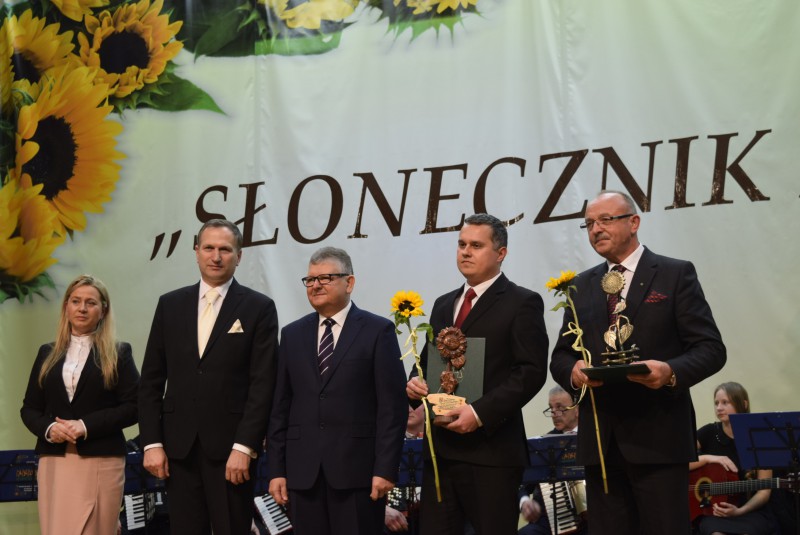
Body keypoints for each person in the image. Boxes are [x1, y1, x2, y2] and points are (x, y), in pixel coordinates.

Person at [549, 190, 727, 535]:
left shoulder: (674, 274)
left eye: (605, 220)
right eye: (589, 223)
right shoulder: (581, 286)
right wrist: (572, 371)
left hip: (659, 438)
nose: (596, 229)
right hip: (601, 443)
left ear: (634, 222)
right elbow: (561, 355)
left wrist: (670, 372)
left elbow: (710, 349)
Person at [406, 213, 549, 535]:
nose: (465, 252)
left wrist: (479, 413)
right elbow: (430, 360)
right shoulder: (444, 304)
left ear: (501, 253)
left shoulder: (522, 302)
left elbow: (530, 372)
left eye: (476, 245)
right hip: (441, 451)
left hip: (491, 452)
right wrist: (414, 382)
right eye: (461, 245)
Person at [139, 219, 279, 535]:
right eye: (209, 248)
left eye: (225, 250)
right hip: (178, 449)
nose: (216, 257)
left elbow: (263, 384)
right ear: (196, 252)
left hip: (232, 451)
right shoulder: (170, 304)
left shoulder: (259, 308)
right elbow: (150, 381)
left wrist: (245, 447)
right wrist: (151, 442)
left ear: (239, 256)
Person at [267, 247, 408, 535]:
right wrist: (277, 471)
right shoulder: (292, 335)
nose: (316, 285)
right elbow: (280, 407)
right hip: (303, 474)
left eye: (326, 278)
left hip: (358, 473)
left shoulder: (377, 330)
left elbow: (392, 408)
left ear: (349, 282)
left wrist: (385, 469)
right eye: (310, 279)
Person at [21, 274, 140, 535]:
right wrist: (49, 428)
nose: (82, 308)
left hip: (101, 459)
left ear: (103, 310)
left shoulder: (119, 353)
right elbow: (29, 409)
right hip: (55, 460)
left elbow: (135, 406)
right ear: (66, 306)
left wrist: (85, 426)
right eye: (75, 301)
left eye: (91, 302)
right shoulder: (46, 353)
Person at [690, 382, 777, 535]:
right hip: (714, 512)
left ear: (744, 404)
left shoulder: (759, 438)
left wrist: (740, 511)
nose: (719, 408)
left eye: (725, 402)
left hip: (750, 511)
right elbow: (680, 462)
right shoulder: (709, 432)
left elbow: (764, 492)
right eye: (716, 403)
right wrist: (708, 458)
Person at [518, 385, 586, 535]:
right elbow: (521, 485)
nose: (554, 413)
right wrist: (525, 502)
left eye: (560, 408)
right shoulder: (542, 445)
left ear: (577, 409)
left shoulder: (592, 440)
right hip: (548, 523)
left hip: (592, 521)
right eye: (551, 408)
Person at [385, 404, 425, 534]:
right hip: (397, 514)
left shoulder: (437, 444)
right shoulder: (388, 443)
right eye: (405, 403)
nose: (408, 408)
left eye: (414, 404)